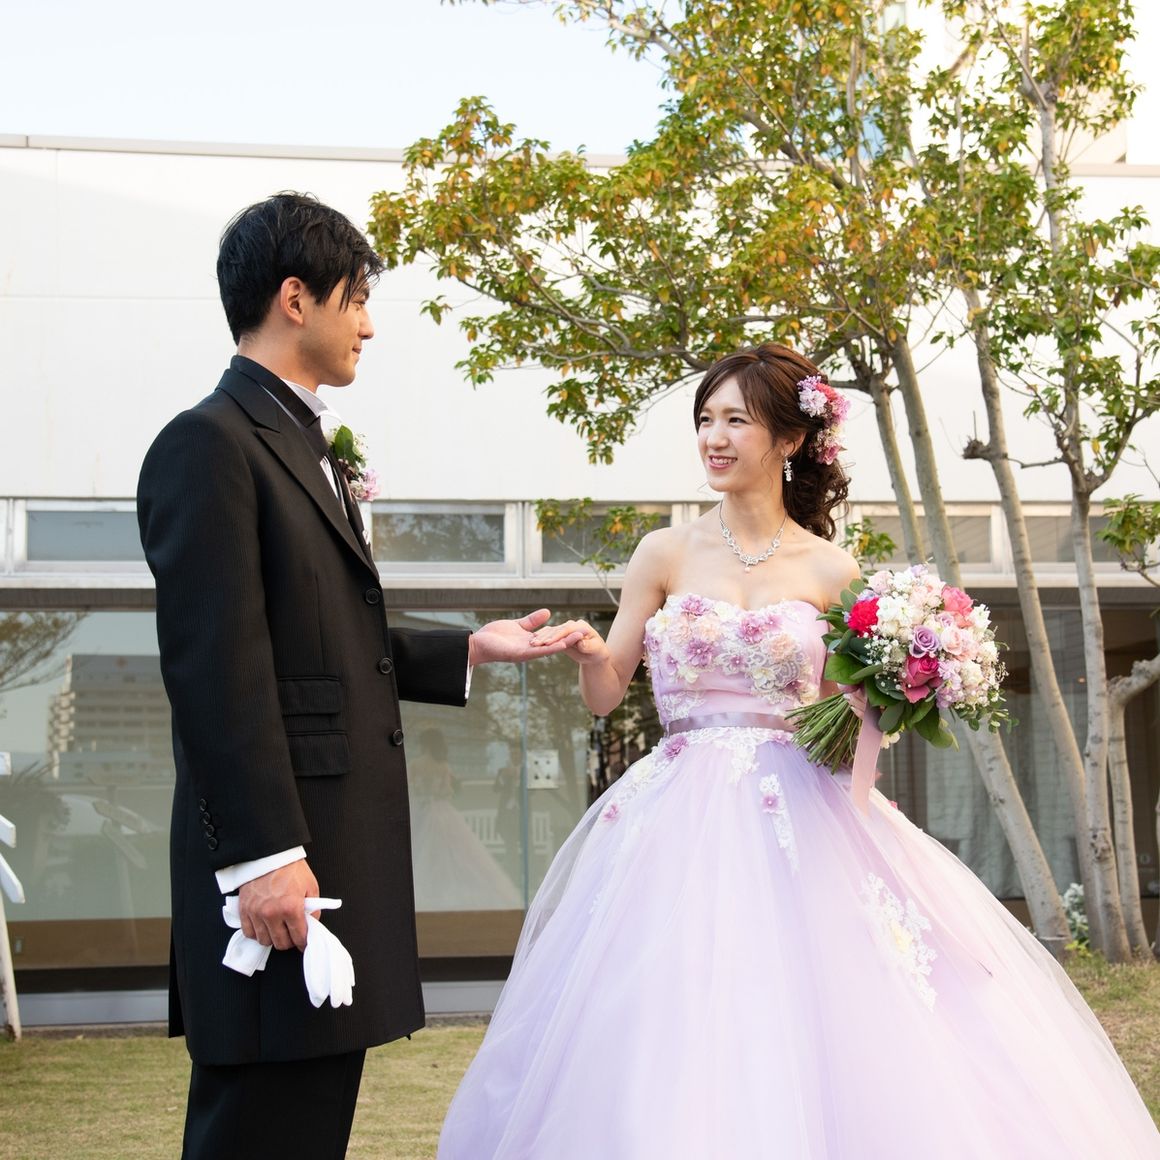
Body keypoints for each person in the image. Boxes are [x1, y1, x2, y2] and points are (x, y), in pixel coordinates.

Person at [438, 342, 1160, 1158]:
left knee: (825, 998)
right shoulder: (663, 552)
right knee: (667, 1004)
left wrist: (895, 688)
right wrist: (589, 655)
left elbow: (838, 720)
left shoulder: (831, 567)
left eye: (735, 421)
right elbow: (607, 694)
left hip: (798, 812)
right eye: (705, 420)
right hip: (674, 813)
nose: (713, 438)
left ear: (788, 439)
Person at [137, 192, 580, 1160]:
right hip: (278, 864)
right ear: (296, 298)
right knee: (261, 1128)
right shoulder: (209, 444)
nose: (369, 325)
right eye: (359, 298)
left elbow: (319, 633)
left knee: (307, 1120)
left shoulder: (300, 440)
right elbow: (217, 666)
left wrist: (466, 648)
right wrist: (262, 857)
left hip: (327, 849)